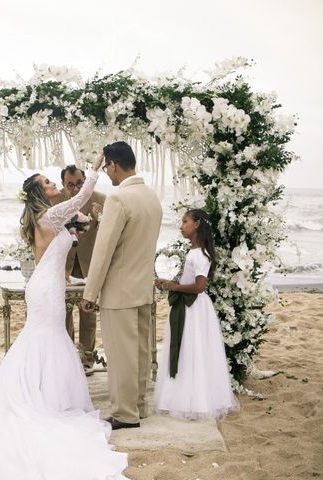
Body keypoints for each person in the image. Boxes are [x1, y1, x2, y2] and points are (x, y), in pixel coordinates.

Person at [0, 154, 128, 480]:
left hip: (46, 286)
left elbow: (63, 241)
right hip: (47, 290)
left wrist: (76, 231)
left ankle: (44, 394)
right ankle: (44, 402)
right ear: (40, 193)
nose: (53, 184)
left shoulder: (47, 220)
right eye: (48, 183)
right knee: (48, 338)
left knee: (45, 339)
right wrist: (93, 171)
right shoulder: (51, 215)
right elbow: (80, 198)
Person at [81, 141, 163, 430]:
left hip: (118, 290)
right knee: (139, 352)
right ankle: (139, 406)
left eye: (107, 168)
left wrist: (90, 294)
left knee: (121, 355)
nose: (107, 174)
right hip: (143, 287)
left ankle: (124, 413)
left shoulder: (118, 199)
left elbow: (104, 251)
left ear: (113, 165)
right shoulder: (151, 197)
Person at [154, 209, 240, 420]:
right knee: (189, 351)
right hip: (192, 306)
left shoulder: (199, 254)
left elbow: (200, 286)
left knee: (191, 350)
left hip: (193, 309)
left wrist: (175, 286)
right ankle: (187, 396)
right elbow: (189, 282)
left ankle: (192, 400)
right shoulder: (195, 252)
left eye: (185, 222)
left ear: (197, 225)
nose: (181, 226)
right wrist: (170, 284)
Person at [57, 164, 106, 370]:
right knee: (64, 314)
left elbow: (109, 233)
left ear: (86, 179)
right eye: (70, 185)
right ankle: (68, 359)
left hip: (89, 264)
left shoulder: (101, 199)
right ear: (63, 185)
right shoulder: (55, 199)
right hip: (64, 265)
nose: (76, 189)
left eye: (79, 183)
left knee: (89, 314)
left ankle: (87, 359)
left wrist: (99, 216)